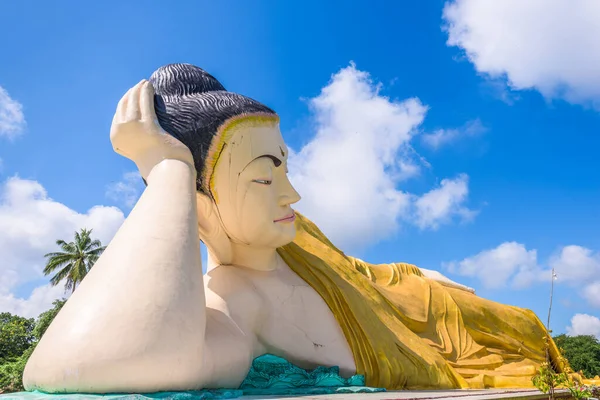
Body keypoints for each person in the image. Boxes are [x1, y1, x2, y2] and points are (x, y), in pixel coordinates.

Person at [22, 64, 565, 394]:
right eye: (264, 178)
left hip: (423, 302)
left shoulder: (295, 234)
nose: (292, 194)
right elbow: (88, 366)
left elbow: (362, 273)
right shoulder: (235, 301)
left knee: (524, 327)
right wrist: (167, 169)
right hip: (434, 350)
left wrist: (425, 278)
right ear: (197, 203)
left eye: (284, 166)